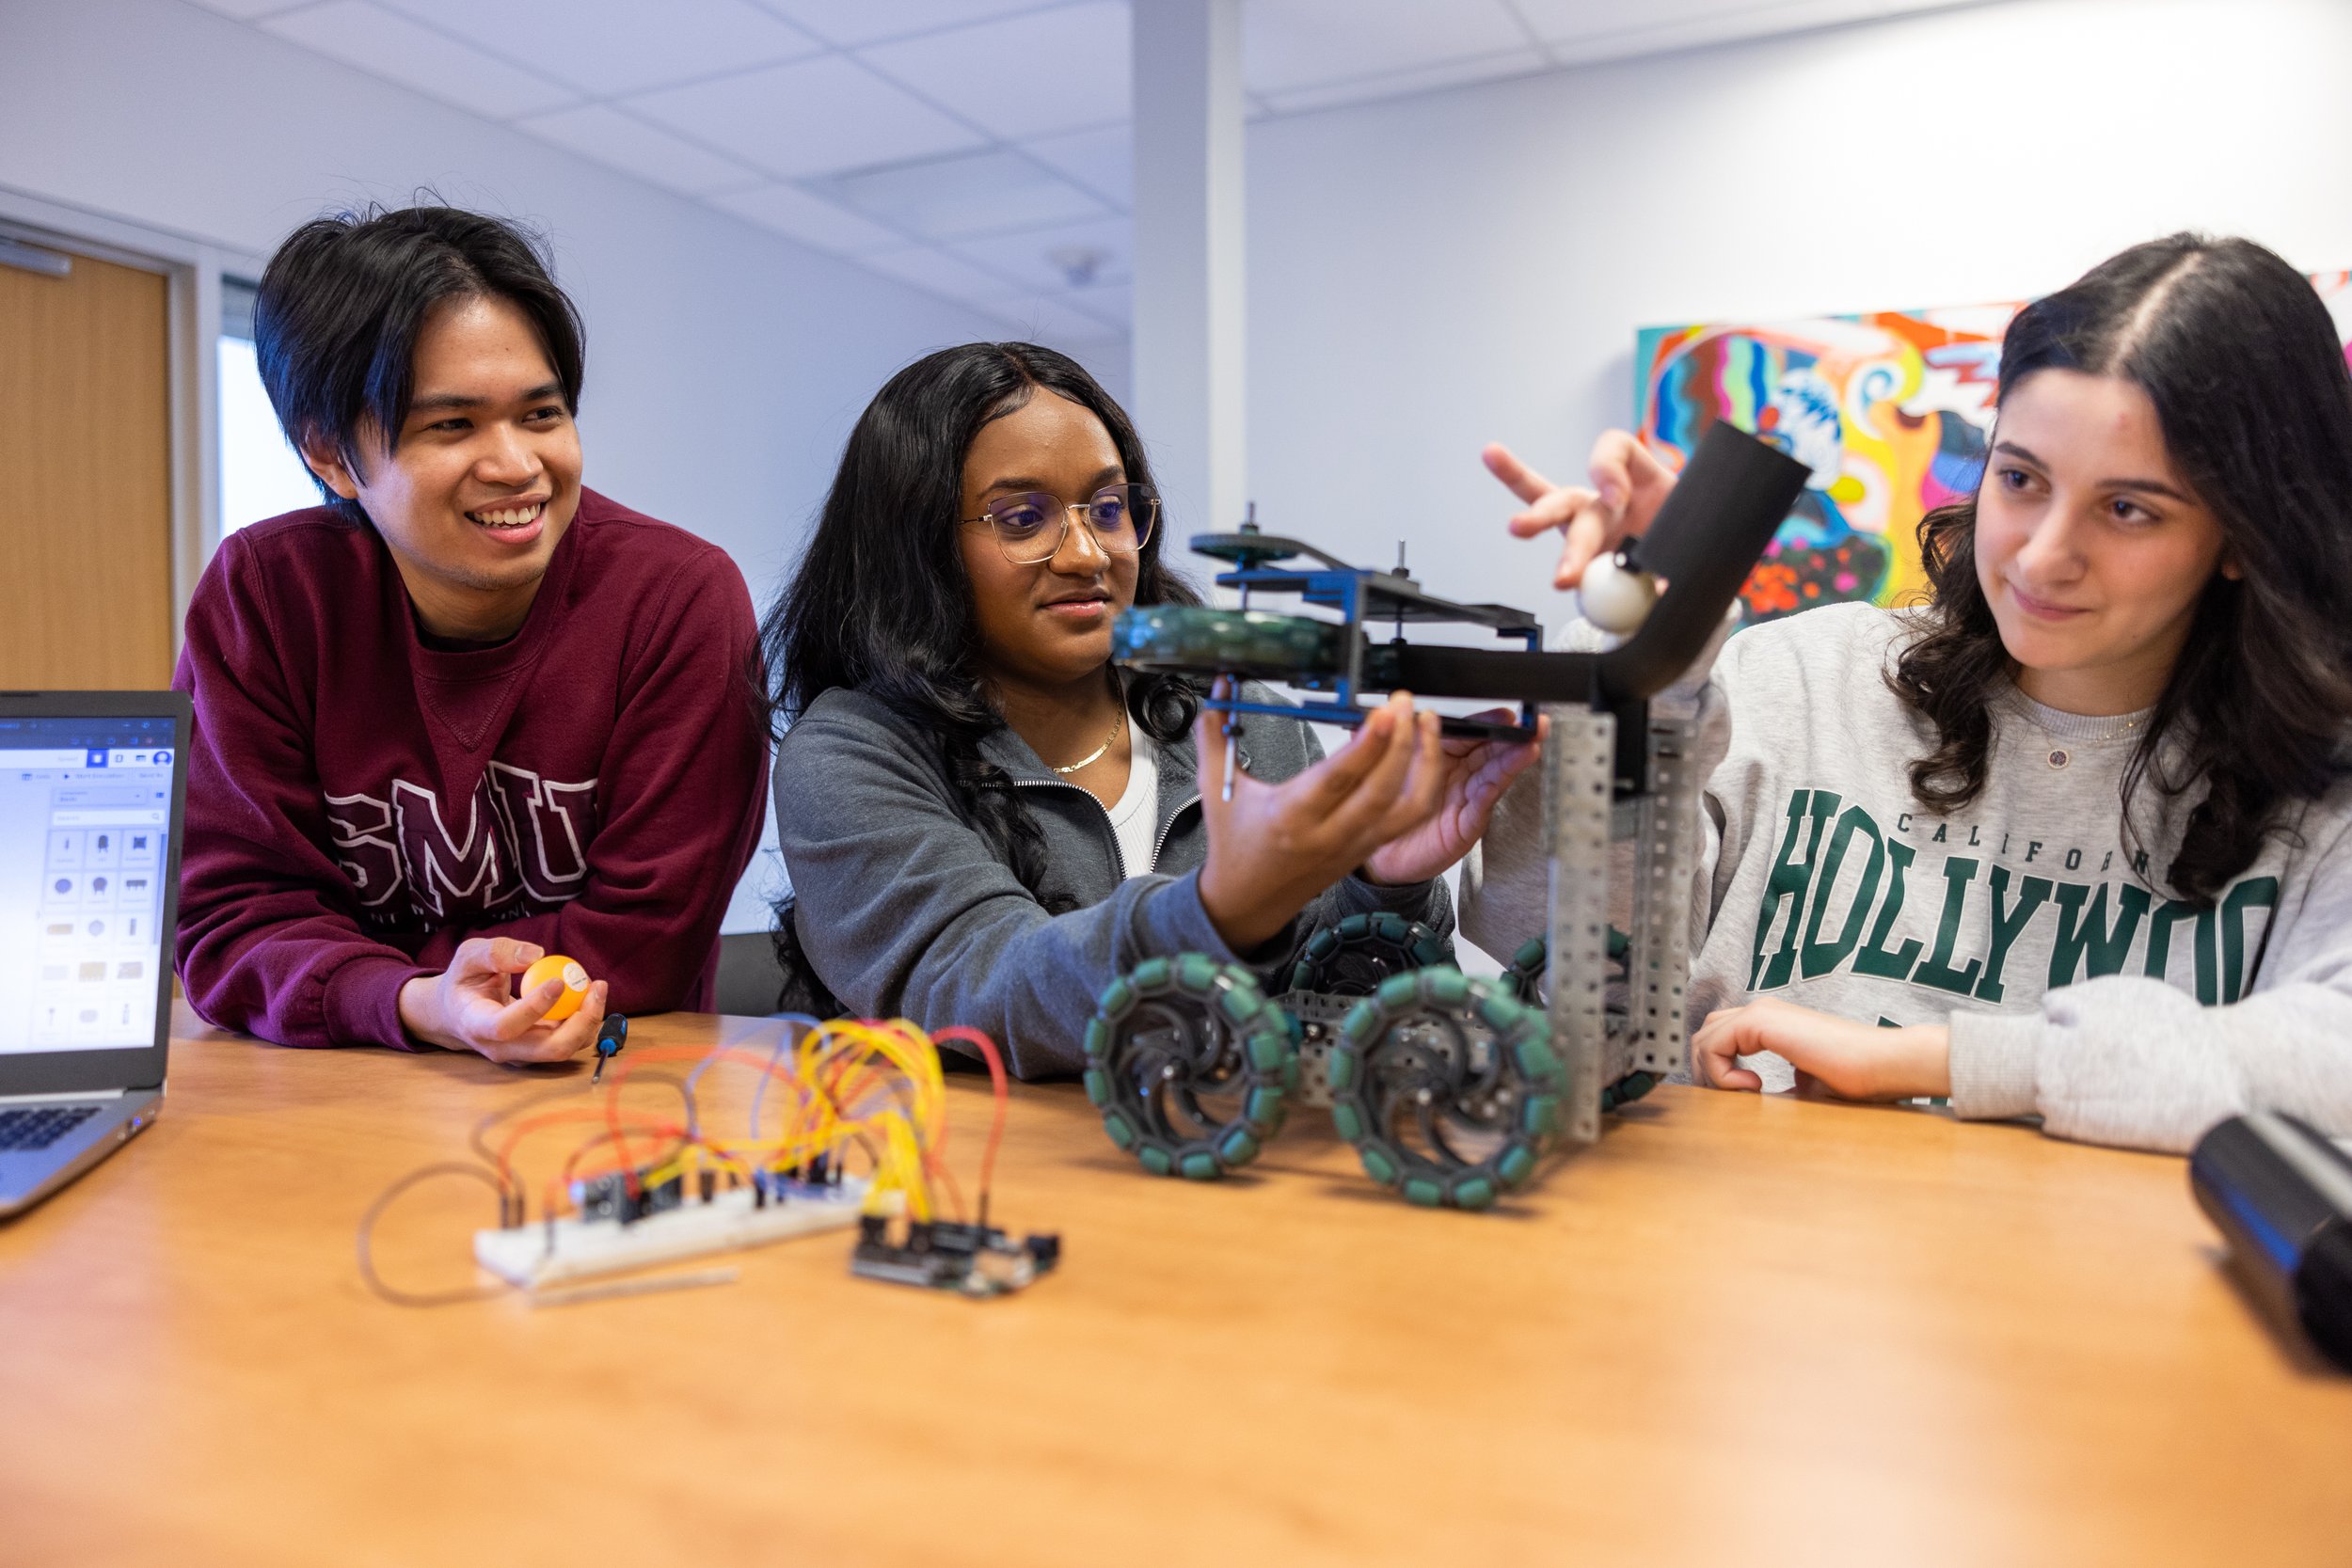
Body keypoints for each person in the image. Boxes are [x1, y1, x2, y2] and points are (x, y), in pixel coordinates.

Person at [1464, 232, 2352, 1153]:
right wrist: (1633, 660)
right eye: (2020, 478)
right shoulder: (1798, 682)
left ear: (2244, 534)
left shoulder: (2318, 789)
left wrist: (1936, 1060)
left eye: (2127, 508)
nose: (2043, 554)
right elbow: (1549, 993)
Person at [765, 341, 1534, 1077]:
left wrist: (1381, 876)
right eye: (1023, 518)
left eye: (1106, 507)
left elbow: (1336, 1008)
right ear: (917, 547)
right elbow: (991, 991)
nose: (1089, 553)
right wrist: (1216, 908)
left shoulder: (1247, 721)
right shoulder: (852, 755)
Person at [174, 205, 768, 1061]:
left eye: (540, 415)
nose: (517, 465)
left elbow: (646, 936)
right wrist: (418, 1000)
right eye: (452, 425)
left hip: (598, 1087)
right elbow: (227, 916)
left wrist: (364, 978)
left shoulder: (676, 601)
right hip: (333, 1091)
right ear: (332, 456)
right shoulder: (265, 596)